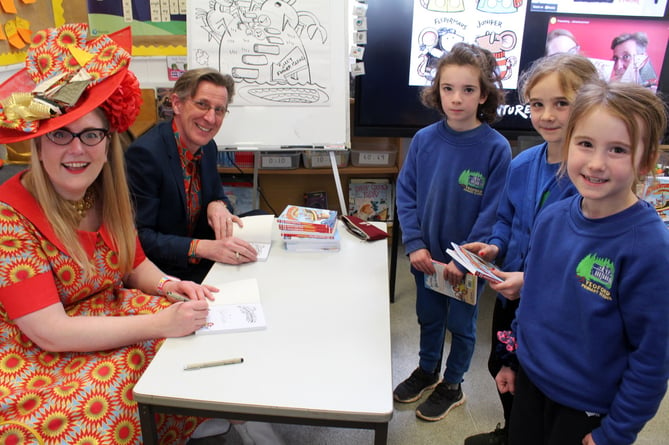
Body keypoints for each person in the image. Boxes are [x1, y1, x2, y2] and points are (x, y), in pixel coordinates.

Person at [0, 24, 219, 444]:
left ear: (107, 141)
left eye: (91, 134)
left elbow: (134, 264)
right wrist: (159, 321)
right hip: (37, 354)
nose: (77, 149)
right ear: (39, 143)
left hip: (107, 313)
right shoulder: (10, 216)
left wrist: (172, 285)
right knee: (106, 403)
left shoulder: (107, 191)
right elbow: (50, 331)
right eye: (61, 134)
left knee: (184, 351)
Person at [494, 80, 669, 445]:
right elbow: (535, 301)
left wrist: (615, 432)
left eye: (618, 149)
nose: (596, 163)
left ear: (647, 159)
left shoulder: (650, 249)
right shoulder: (553, 218)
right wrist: (512, 358)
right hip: (531, 383)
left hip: (586, 409)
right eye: (585, 144)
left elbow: (652, 356)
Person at [462, 54, 599, 445]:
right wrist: (493, 246)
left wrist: (532, 281)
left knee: (542, 381)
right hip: (510, 295)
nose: (547, 115)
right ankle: (514, 431)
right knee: (503, 366)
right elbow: (506, 219)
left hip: (558, 307)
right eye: (537, 104)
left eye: (561, 103)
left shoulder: (589, 176)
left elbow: (585, 259)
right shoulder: (522, 164)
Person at [394, 42, 512, 422]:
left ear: (484, 94)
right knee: (429, 318)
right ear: (437, 91)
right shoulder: (425, 140)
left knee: (461, 327)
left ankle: (453, 383)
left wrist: (465, 260)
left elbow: (493, 212)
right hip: (425, 260)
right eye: (448, 89)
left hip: (466, 266)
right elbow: (406, 193)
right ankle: (428, 370)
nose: (456, 99)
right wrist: (414, 244)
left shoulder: (496, 148)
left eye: (468, 90)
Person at [125, 68, 258, 284]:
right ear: (177, 104)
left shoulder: (208, 146)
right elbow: (140, 238)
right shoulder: (146, 154)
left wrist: (218, 204)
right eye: (202, 104)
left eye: (219, 110)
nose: (210, 118)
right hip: (165, 270)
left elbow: (219, 199)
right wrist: (203, 247)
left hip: (202, 257)